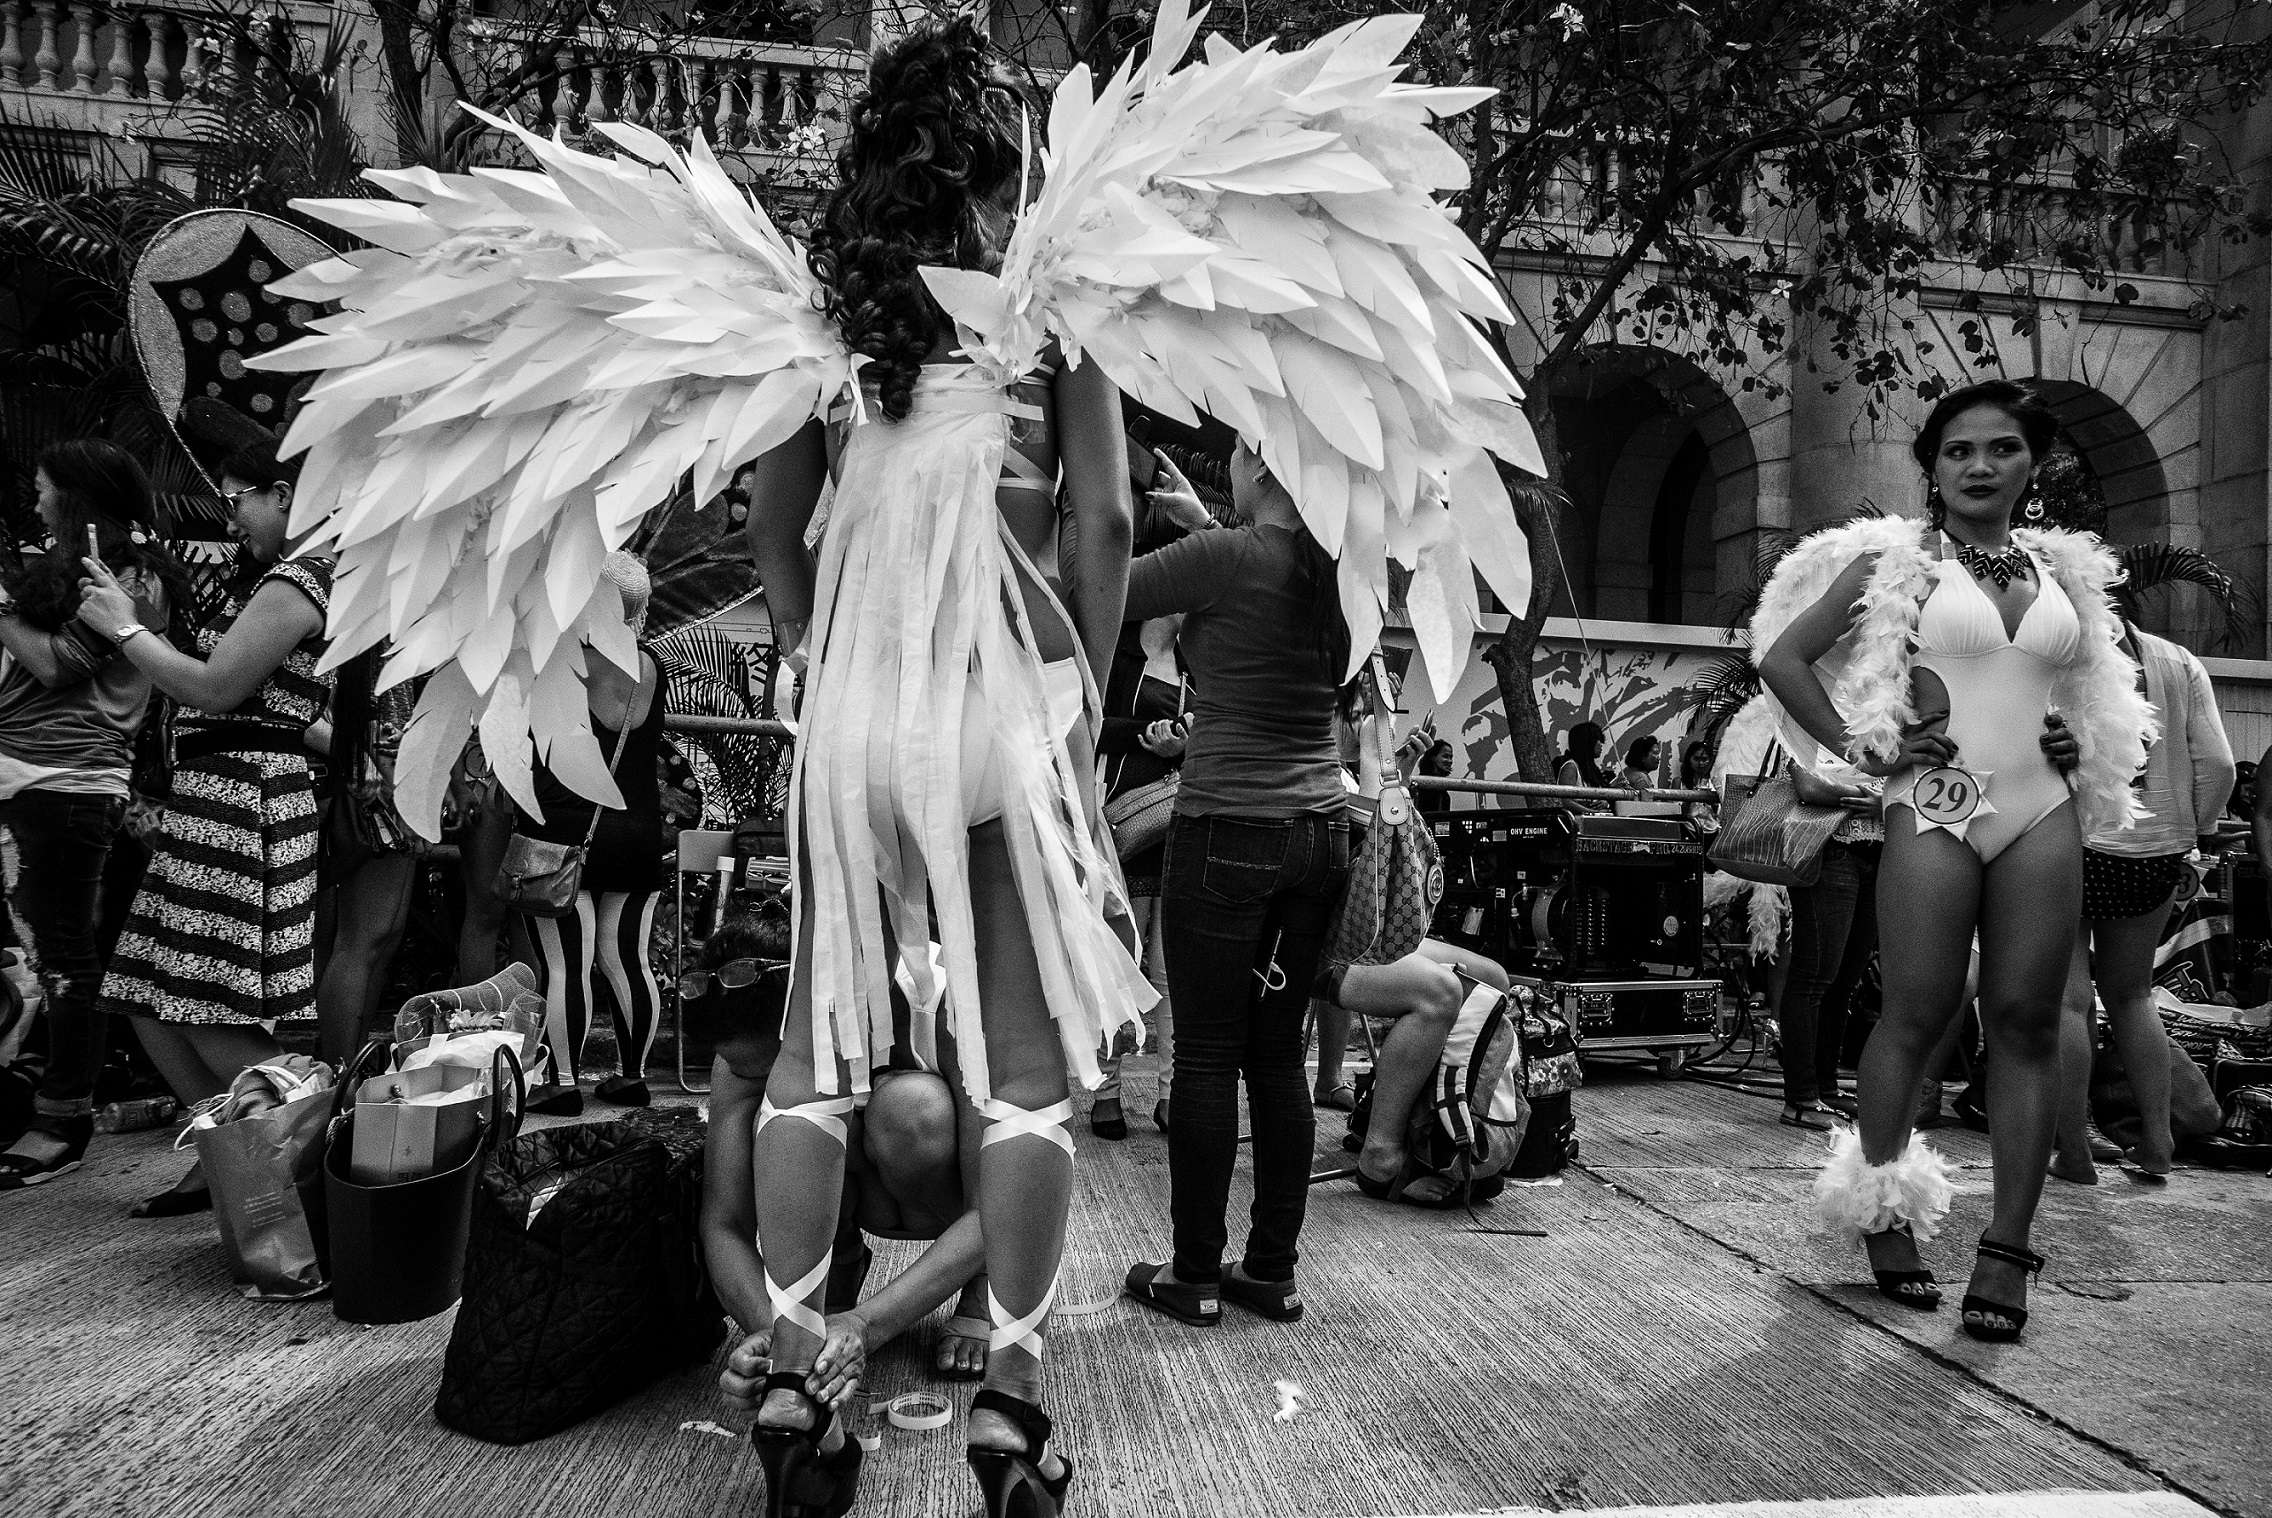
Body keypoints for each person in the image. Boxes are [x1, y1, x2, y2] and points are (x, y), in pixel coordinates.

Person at [738, 18, 1145, 1514]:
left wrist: (806, 652)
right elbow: (1102, 524)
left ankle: (794, 1383)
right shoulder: (1052, 305)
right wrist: (1084, 696)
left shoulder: (822, 319)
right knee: (1022, 1066)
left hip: (851, 709)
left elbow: (777, 534)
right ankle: (1010, 1408)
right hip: (1002, 701)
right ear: (1003, 158)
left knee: (814, 1048)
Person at [1756, 379, 2151, 1344]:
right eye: (1960, 450)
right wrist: (1867, 747)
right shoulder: (1903, 565)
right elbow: (1785, 661)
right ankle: (1886, 1218)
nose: (1981, 466)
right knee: (1916, 1013)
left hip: (2042, 809)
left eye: (2002, 449)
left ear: (2033, 463)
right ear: (1932, 467)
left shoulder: (2066, 572)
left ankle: (2008, 1247)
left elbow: (2085, 689)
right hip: (1931, 810)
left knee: (2026, 1018)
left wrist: (2076, 743)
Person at [1115, 440, 1354, 1333]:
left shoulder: (1222, 559)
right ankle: (1272, 1273)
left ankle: (1193, 1276)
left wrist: (1096, 497)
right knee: (1276, 1054)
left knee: (1208, 1055)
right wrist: (1205, 527)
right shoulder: (1341, 571)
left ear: (1262, 464)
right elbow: (1263, 584)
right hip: (1318, 834)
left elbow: (1103, 580)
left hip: (1226, 831)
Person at [81, 436, 337, 1218]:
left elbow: (217, 688)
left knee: (209, 1001)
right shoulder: (276, 577)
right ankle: (235, 1160)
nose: (230, 518)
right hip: (220, 795)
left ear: (286, 493)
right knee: (145, 992)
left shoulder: (303, 577)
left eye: (237, 500)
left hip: (243, 799)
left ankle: (295, 1180)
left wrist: (126, 629)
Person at [698, 908, 993, 1405]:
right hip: (864, 1192)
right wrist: (778, 1337)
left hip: (946, 1194)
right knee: (778, 1122)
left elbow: (998, 1208)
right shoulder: (744, 1039)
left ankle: (983, 1286)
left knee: (909, 1108)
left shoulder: (946, 1004)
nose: (763, 1080)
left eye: (774, 1065)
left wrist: (866, 1327)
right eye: (749, 1073)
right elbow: (723, 1221)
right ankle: (833, 1270)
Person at [0, 441, 187, 1191]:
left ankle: (63, 1121)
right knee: (37, 957)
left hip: (71, 787)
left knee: (66, 961)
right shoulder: (70, 570)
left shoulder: (133, 579)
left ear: (76, 498)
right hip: (30, 782)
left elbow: (57, 664)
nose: (36, 502)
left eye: (45, 490)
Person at [2052, 617, 2235, 1184]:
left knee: (2068, 999)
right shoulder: (2178, 660)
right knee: (2132, 996)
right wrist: (2193, 829)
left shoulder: (2057, 652)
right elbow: (2220, 766)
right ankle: (2158, 1143)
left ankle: (2078, 1151)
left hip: (2073, 838)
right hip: (2158, 849)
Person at [512, 553, 667, 1116]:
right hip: (636, 830)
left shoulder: (556, 660)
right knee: (629, 961)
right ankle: (633, 1077)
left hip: (561, 833)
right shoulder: (649, 665)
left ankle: (565, 1081)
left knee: (564, 966)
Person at [1091, 596, 1188, 1140]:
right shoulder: (1116, 654)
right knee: (1116, 961)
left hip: (1174, 828)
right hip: (1116, 823)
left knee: (1167, 971)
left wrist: (1187, 744)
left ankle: (1171, 1093)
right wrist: (1148, 734)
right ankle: (1106, 1092)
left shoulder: (1196, 662)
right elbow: (1084, 723)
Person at [1324, 941, 1512, 1206]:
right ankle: (1381, 1157)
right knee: (1439, 992)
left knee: (1493, 978)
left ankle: (1416, 1129)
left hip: (1363, 933)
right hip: (1308, 940)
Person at [312, 655, 422, 1064]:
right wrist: (362, 757)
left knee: (377, 939)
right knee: (360, 939)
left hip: (383, 765)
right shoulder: (334, 602)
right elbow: (298, 710)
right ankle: (338, 1073)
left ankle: (343, 1064)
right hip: (360, 775)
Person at [1556, 722, 1610, 793]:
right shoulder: (1571, 767)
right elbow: (1565, 800)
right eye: (1597, 739)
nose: (1601, 744)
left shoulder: (1591, 769)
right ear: (1587, 742)